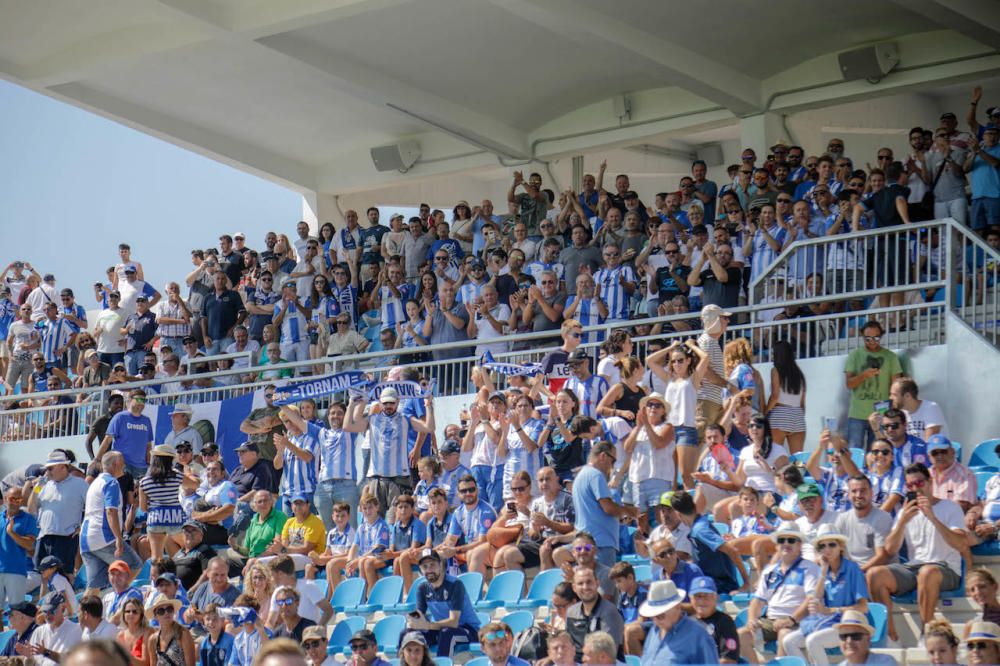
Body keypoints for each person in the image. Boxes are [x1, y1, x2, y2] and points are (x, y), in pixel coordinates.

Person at [866, 462, 968, 642]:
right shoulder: (906, 512)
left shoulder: (950, 507)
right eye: (910, 485)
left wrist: (932, 518)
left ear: (930, 482)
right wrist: (903, 521)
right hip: (914, 568)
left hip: (946, 568)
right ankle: (889, 634)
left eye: (919, 483)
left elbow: (960, 543)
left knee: (926, 572)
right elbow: (889, 550)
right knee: (875, 575)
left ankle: (926, 632)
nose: (915, 488)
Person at [782, 525, 869, 665]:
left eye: (832, 545)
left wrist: (832, 610)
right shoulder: (821, 569)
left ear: (840, 547)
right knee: (789, 641)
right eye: (822, 546)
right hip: (826, 622)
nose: (827, 549)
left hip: (849, 623)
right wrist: (823, 572)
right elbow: (815, 601)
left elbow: (863, 607)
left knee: (812, 641)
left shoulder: (853, 568)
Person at [738, 522, 819, 665]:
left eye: (791, 540)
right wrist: (752, 619)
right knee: (741, 635)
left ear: (799, 545)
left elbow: (811, 599)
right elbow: (757, 600)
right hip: (770, 621)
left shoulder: (809, 568)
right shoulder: (769, 571)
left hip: (797, 622)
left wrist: (791, 620)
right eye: (782, 540)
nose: (786, 544)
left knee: (784, 634)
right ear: (776, 546)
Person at [81, 451, 142, 589]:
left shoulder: (95, 483)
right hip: (104, 537)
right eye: (123, 462)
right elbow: (111, 511)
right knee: (134, 565)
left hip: (86, 540)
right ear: (116, 464)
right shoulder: (112, 483)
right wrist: (119, 539)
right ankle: (117, 596)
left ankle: (85, 610)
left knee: (94, 587)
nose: (125, 465)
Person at [407, 549, 480, 657]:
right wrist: (412, 621)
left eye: (432, 565)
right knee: (409, 634)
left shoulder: (455, 584)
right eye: (425, 567)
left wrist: (428, 625)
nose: (429, 570)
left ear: (440, 565)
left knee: (447, 634)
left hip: (468, 630)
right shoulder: (422, 588)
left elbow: (454, 622)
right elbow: (419, 615)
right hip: (440, 628)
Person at [844, 320, 904, 450]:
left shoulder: (890, 357)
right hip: (857, 414)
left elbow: (896, 386)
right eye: (868, 338)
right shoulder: (854, 355)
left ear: (881, 336)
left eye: (876, 337)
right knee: (855, 454)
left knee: (877, 452)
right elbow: (848, 384)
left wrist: (891, 412)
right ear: (862, 337)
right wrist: (864, 375)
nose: (872, 341)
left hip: (881, 415)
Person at [27, 450, 88, 571]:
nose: (47, 472)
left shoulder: (80, 484)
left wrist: (82, 526)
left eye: (50, 469)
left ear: (62, 467)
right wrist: (37, 488)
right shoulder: (44, 486)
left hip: (65, 537)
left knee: (63, 574)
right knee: (40, 573)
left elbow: (92, 507)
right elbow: (31, 509)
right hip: (44, 536)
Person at [638, 579, 718, 666]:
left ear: (677, 606)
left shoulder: (699, 637)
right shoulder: (654, 631)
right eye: (652, 616)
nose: (655, 620)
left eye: (660, 615)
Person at [436, 475, 495, 576]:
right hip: (469, 550)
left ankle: (475, 589)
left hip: (487, 550)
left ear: (477, 490)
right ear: (458, 494)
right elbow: (450, 541)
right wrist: (432, 551)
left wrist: (455, 549)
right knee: (433, 557)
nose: (468, 493)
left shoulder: (486, 511)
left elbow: (482, 542)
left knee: (472, 553)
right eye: (464, 491)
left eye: (471, 490)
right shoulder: (458, 512)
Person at [138, 445, 187, 561]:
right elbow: (196, 484)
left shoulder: (144, 482)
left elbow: (143, 508)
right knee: (187, 550)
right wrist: (186, 469)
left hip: (155, 519)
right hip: (175, 518)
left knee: (156, 557)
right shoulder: (177, 476)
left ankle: (155, 579)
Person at [565, 566, 624, 662]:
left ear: (597, 584)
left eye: (589, 582)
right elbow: (568, 645)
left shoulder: (609, 612)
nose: (585, 587)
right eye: (580, 583)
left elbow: (608, 654)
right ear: (574, 588)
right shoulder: (571, 612)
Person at [835, 475, 894, 569]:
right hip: (852, 571)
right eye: (854, 491)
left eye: (863, 490)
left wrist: (857, 574)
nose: (858, 495)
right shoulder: (842, 519)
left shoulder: (882, 517)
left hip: (877, 571)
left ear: (871, 493)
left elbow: (882, 557)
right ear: (849, 495)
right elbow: (835, 551)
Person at [98, 389, 155, 478]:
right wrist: (97, 460)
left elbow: (148, 445)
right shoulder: (120, 417)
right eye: (139, 399)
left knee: (136, 492)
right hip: (122, 465)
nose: (142, 403)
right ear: (129, 400)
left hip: (141, 467)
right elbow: (107, 440)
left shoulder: (146, 421)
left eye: (144, 400)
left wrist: (149, 463)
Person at [0, 484, 37, 616]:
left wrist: (11, 532)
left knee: (17, 612)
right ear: (5, 499)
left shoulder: (28, 519)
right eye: (12, 499)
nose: (16, 502)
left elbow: (29, 545)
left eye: (19, 499)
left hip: (16, 571)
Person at [23, 592, 82, 666]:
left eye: (52, 611)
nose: (48, 615)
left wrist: (46, 652)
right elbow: (30, 664)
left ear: (63, 609)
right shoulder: (39, 631)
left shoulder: (75, 630)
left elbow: (71, 661)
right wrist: (28, 657)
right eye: (45, 611)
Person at [926, 434, 977, 512]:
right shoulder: (925, 475)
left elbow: (959, 508)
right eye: (935, 453)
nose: (939, 456)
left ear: (953, 452)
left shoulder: (965, 475)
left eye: (943, 451)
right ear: (929, 457)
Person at [116, 595, 152, 665]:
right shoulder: (120, 635)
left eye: (135, 612)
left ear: (141, 614)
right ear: (123, 614)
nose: (131, 614)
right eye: (127, 611)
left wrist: (127, 657)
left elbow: (146, 663)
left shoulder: (147, 632)